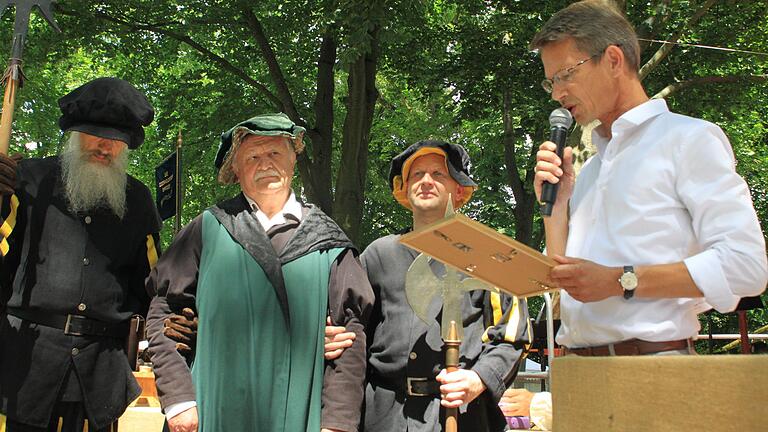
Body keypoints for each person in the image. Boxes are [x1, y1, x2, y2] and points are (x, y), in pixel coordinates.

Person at [532, 0, 767, 356]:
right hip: (578, 372)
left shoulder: (689, 139)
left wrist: (618, 280)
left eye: (565, 75)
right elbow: (566, 283)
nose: (557, 93)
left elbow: (746, 266)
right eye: (551, 81)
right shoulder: (592, 169)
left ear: (613, 60)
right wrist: (557, 207)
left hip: (655, 367)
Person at [146, 113, 374, 432]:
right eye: (252, 156)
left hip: (298, 415)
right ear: (236, 170)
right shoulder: (207, 229)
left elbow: (351, 336)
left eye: (275, 153)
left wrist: (336, 422)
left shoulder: (329, 243)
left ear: (293, 161)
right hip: (212, 411)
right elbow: (163, 311)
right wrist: (180, 400)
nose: (265, 163)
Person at [0, 77, 161, 431]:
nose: (105, 146)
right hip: (28, 365)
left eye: (116, 140)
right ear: (74, 134)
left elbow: (153, 286)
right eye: (95, 134)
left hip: (100, 374)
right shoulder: (27, 181)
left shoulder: (138, 200)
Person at [361, 140, 531, 431]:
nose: (426, 181)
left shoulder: (488, 253)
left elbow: (513, 333)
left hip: (463, 414)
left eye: (438, 175)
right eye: (417, 175)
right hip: (385, 416)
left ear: (459, 189)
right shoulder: (378, 255)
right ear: (404, 188)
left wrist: (479, 378)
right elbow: (354, 329)